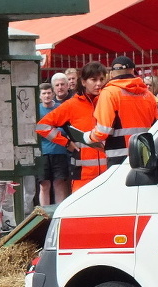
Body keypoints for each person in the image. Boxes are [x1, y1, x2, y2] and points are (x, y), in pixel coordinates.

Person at [37, 62, 109, 192]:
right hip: (82, 174)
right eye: (94, 79)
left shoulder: (108, 101)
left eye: (101, 79)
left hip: (108, 173)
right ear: (83, 81)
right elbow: (42, 126)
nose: (98, 83)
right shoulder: (71, 105)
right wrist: (66, 143)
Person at [84, 56, 158, 166]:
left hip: (118, 157)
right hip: (145, 154)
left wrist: (88, 137)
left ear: (111, 74)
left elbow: (103, 131)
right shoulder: (148, 95)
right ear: (133, 71)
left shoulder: (109, 93)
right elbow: (156, 126)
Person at [35, 82, 71, 205]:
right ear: (40, 96)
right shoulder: (36, 110)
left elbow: (66, 129)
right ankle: (44, 214)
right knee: (44, 184)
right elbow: (36, 130)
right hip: (43, 152)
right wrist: (54, 131)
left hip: (60, 151)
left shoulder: (61, 107)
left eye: (49, 93)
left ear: (53, 93)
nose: (47, 96)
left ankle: (58, 211)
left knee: (59, 183)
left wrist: (51, 131)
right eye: (44, 93)